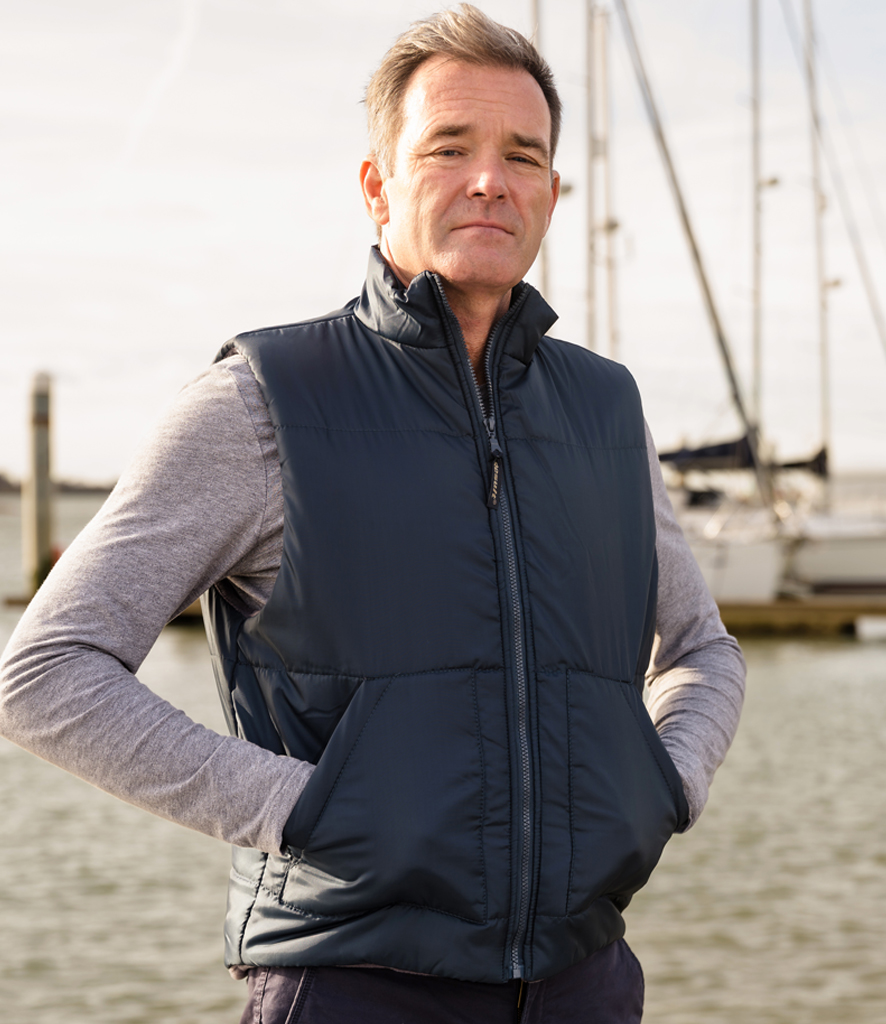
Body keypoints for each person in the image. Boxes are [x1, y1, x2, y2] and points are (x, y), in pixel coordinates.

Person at [0, 6, 745, 1022]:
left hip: (586, 981)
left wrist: (667, 783)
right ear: (377, 185)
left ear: (550, 193)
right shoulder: (262, 401)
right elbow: (46, 673)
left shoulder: (606, 408)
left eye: (522, 156)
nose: (490, 180)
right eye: (449, 148)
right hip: (353, 983)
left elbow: (701, 647)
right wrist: (304, 810)